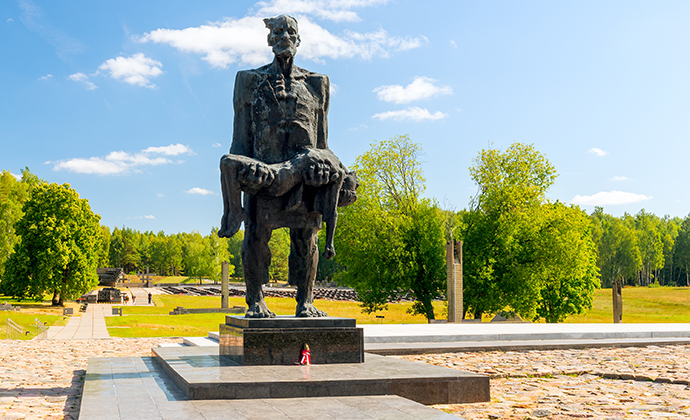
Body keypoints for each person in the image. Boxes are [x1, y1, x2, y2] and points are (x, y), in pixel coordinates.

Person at [218, 15, 357, 318]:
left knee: (307, 237)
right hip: (265, 174)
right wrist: (245, 174)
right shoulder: (249, 80)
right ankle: (255, 300)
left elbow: (322, 143)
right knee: (255, 233)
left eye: (289, 31)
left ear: (298, 39)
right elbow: (240, 140)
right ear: (269, 40)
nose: (283, 36)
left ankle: (305, 301)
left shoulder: (317, 83)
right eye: (277, 32)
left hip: (306, 176)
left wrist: (341, 176)